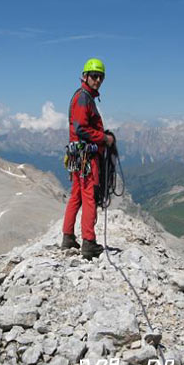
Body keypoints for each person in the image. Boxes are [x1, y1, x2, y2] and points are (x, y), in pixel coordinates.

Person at [61, 58, 114, 259]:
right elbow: (80, 128)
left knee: (76, 195)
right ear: (85, 76)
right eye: (94, 76)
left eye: (101, 77)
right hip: (86, 157)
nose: (98, 80)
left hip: (77, 157)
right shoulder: (84, 98)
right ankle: (89, 243)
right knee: (89, 196)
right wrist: (104, 138)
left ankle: (68, 237)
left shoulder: (83, 96)